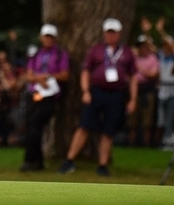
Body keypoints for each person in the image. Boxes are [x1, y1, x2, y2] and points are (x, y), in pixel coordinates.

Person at [58, 18, 138, 177]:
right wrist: (86, 91)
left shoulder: (127, 53)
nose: (111, 36)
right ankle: (69, 160)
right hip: (97, 92)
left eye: (114, 33)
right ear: (104, 33)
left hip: (116, 94)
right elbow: (86, 71)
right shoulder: (96, 50)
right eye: (108, 32)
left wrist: (133, 99)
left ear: (119, 34)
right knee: (85, 126)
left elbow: (133, 76)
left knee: (108, 130)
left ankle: (102, 164)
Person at [19, 24, 69, 171]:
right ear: (41, 37)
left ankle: (32, 160)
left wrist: (48, 76)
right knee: (30, 126)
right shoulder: (36, 55)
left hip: (49, 95)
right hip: (35, 93)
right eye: (45, 36)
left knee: (36, 125)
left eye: (50, 37)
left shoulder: (60, 54)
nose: (47, 39)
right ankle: (36, 160)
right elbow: (29, 75)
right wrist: (38, 79)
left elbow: (65, 75)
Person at [128, 34, 158, 147]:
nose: (143, 49)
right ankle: (131, 143)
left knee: (147, 120)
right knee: (132, 120)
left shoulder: (152, 59)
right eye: (141, 46)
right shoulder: (133, 58)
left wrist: (140, 68)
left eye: (145, 46)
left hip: (147, 90)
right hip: (134, 90)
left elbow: (153, 74)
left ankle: (146, 144)